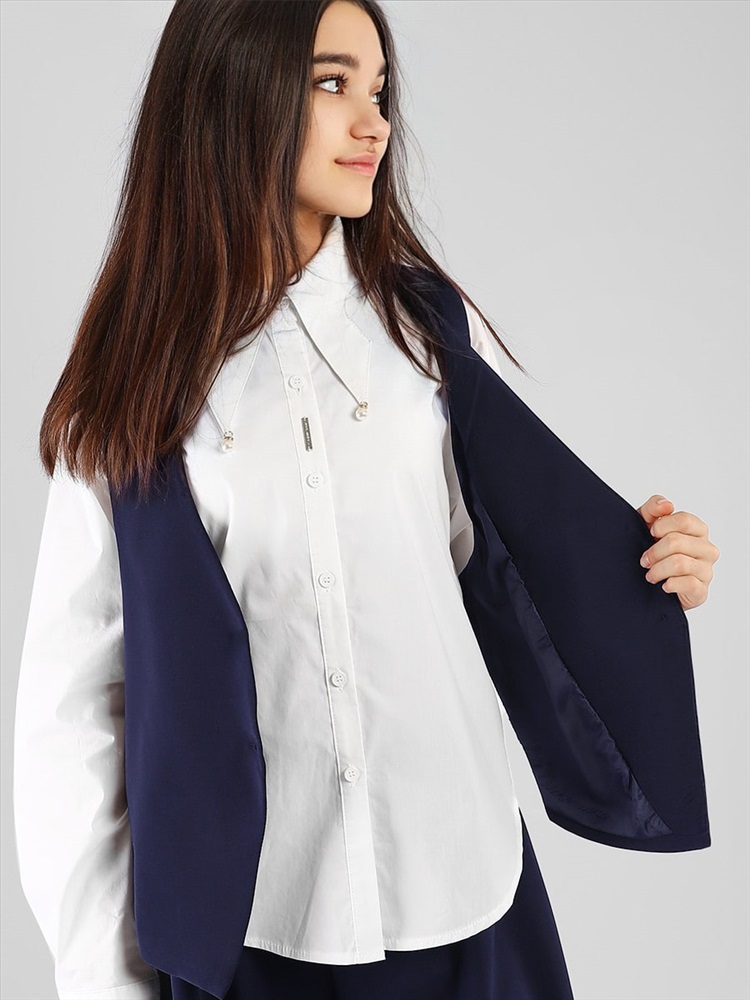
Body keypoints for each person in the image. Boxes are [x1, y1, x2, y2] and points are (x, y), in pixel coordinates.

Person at [12, 2, 719, 999]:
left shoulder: (428, 334)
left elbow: (523, 563)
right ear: (232, 91)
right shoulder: (126, 397)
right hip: (259, 935)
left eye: (379, 90)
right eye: (332, 82)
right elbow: (76, 714)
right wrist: (106, 980)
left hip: (469, 902)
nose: (374, 123)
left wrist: (657, 565)